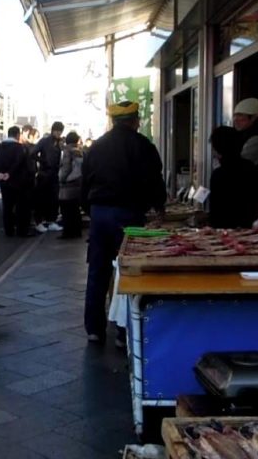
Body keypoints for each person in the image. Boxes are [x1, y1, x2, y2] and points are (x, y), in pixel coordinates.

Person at [81, 101, 165, 344]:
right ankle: (123, 332)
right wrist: (159, 206)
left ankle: (94, 329)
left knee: (97, 270)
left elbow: (85, 184)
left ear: (114, 121)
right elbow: (154, 180)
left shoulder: (96, 146)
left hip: (99, 214)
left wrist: (91, 210)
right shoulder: (143, 145)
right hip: (129, 215)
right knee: (126, 271)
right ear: (135, 120)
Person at [207, 126, 258, 229]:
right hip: (250, 230)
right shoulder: (251, 168)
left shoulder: (219, 174)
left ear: (217, 149)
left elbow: (216, 213)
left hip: (226, 234)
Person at [0, 126, 34, 237]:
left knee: (7, 207)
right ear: (18, 135)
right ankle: (22, 231)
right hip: (20, 183)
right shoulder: (21, 148)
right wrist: (10, 173)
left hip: (4, 183)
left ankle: (8, 230)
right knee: (21, 207)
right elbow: (24, 164)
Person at [32, 121, 65, 233]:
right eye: (58, 131)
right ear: (53, 130)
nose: (59, 133)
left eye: (60, 131)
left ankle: (51, 221)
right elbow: (33, 153)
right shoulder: (44, 141)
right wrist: (44, 161)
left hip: (54, 174)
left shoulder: (59, 143)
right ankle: (38, 222)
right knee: (41, 199)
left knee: (53, 199)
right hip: (44, 174)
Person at [57, 131, 84, 239]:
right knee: (75, 210)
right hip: (78, 182)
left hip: (68, 184)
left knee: (66, 209)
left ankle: (67, 232)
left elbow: (66, 167)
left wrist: (62, 179)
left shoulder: (67, 151)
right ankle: (77, 232)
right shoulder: (79, 150)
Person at [232, 98, 258, 167]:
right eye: (235, 115)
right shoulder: (239, 136)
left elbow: (238, 165)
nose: (235, 120)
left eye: (240, 115)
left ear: (253, 118)